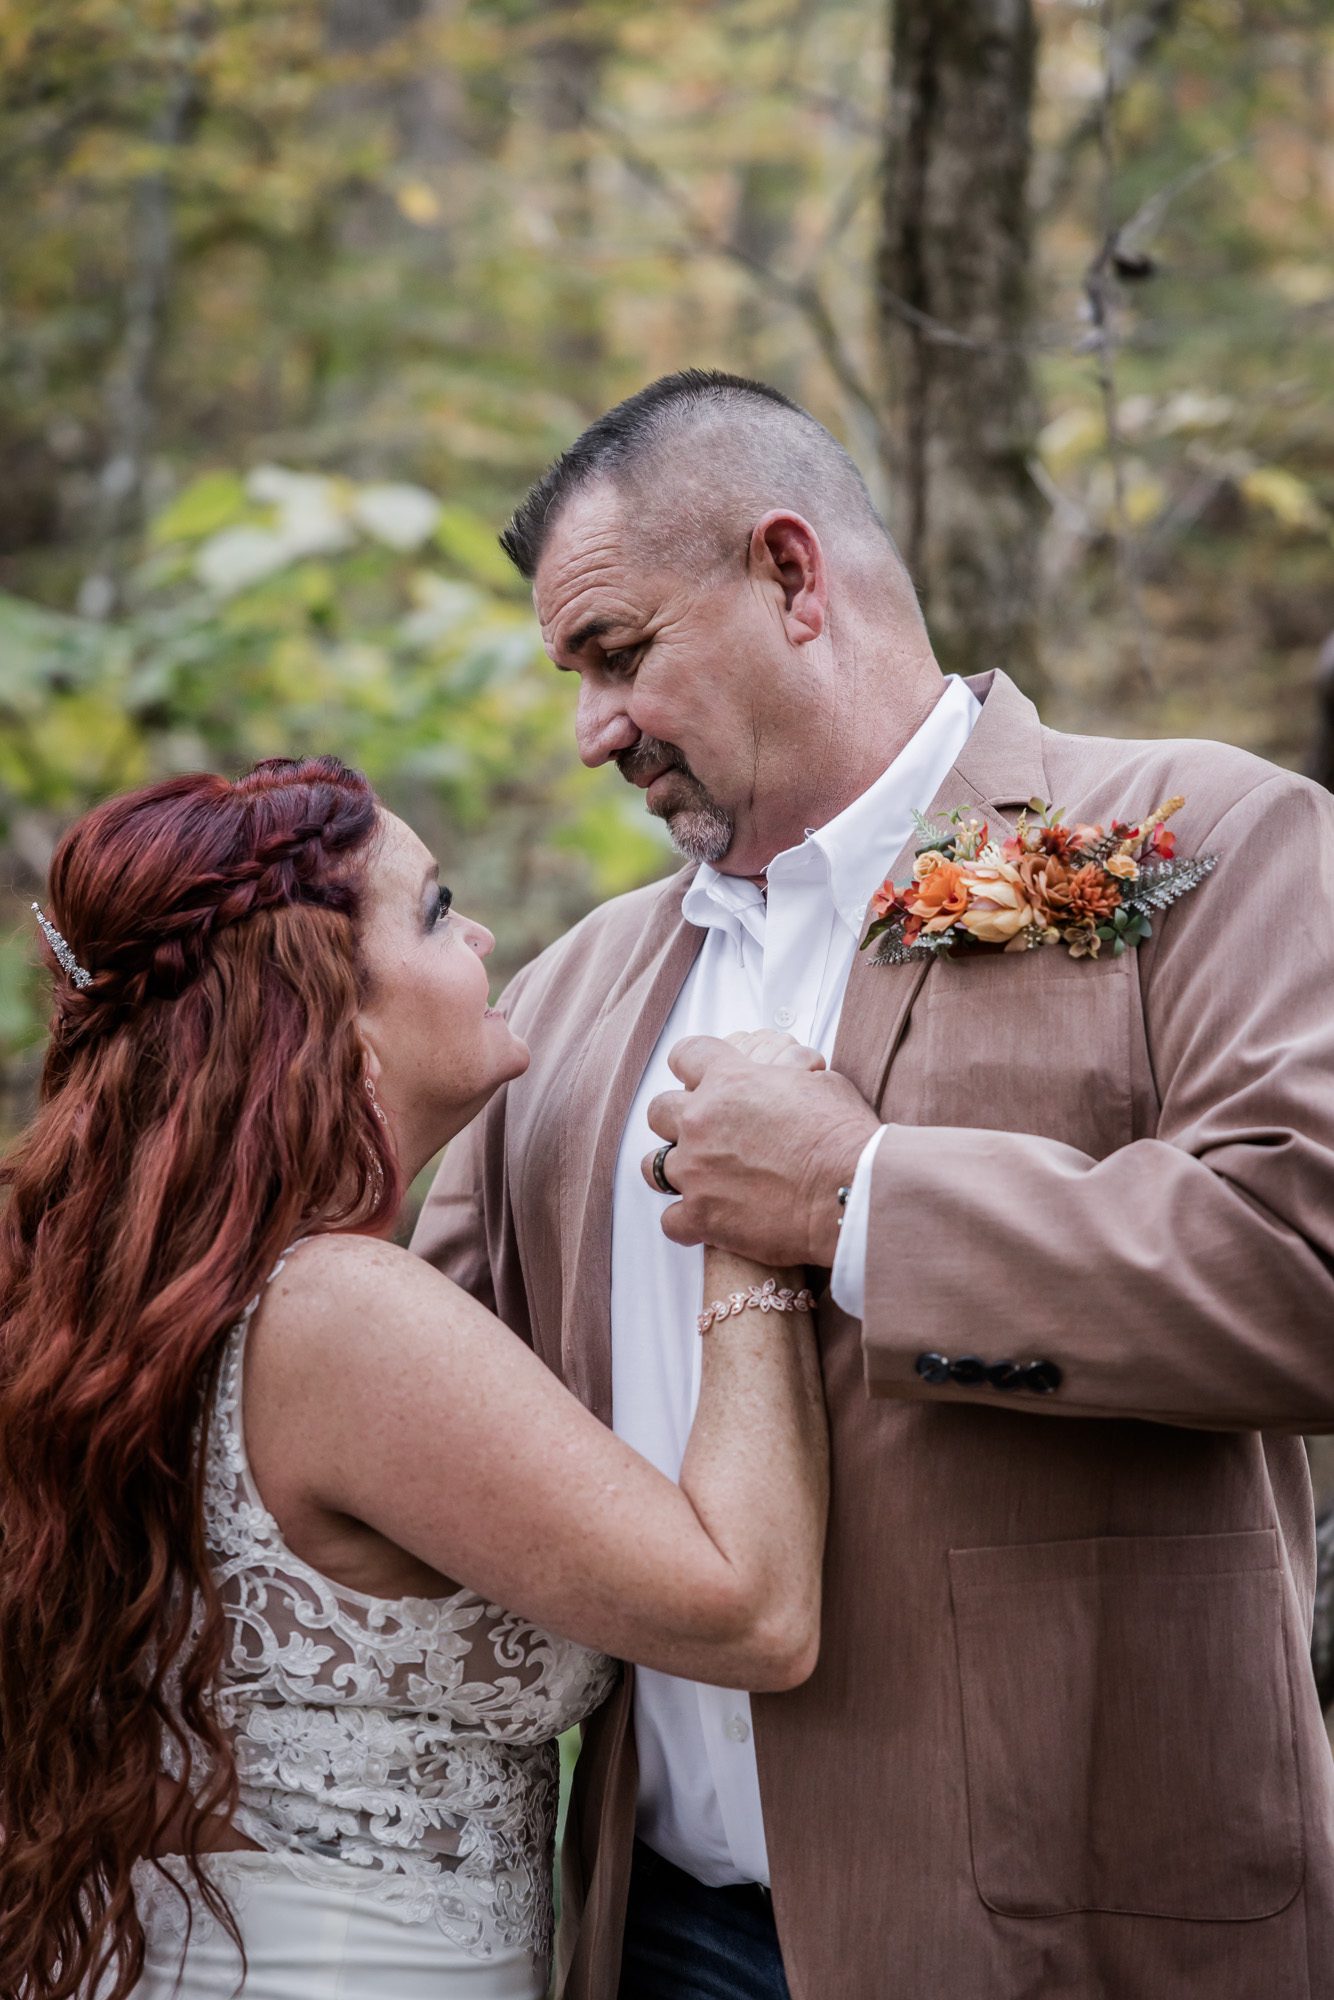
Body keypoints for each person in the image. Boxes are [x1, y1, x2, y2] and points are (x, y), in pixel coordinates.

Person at [413, 368, 1334, 2000]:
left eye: (616, 654)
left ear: (790, 571)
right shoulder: (558, 1000)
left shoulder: (1188, 843)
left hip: (1083, 1939)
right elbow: (434, 1401)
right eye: (573, 678)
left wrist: (861, 1204)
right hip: (654, 1930)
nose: (589, 733)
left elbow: (1300, 1272)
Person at [0, 755, 829, 2000]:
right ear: (321, 1009)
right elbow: (750, 1608)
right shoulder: (335, 1311)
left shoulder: (105, 1285)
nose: (485, 932)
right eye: (437, 910)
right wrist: (745, 1228)